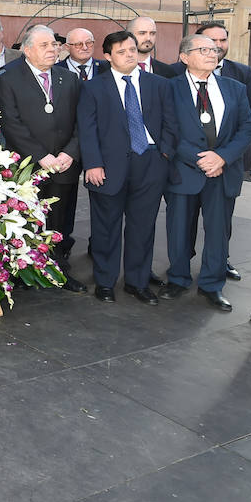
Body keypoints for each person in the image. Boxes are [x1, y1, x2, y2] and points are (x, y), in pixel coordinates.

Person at [158, 33, 251, 311]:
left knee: (218, 232)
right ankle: (177, 279)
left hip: (222, 171)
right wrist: (199, 158)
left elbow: (247, 126)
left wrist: (221, 157)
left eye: (214, 50)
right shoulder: (169, 88)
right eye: (203, 50)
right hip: (183, 170)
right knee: (178, 229)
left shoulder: (235, 88)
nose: (212, 54)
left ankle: (212, 285)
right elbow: (166, 129)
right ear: (184, 57)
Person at [77, 30, 172, 306]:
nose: (129, 54)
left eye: (132, 49)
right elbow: (87, 128)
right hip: (107, 167)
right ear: (107, 56)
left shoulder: (159, 84)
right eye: (121, 51)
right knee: (106, 227)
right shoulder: (94, 87)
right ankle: (105, 282)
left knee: (143, 228)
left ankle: (137, 282)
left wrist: (164, 154)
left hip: (151, 163)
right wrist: (92, 163)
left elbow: (171, 122)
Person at [0, 25, 87, 293]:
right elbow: (11, 123)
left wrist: (70, 152)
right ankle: (25, 272)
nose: (53, 49)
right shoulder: (9, 78)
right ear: (27, 50)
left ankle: (59, 270)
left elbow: (81, 121)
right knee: (27, 221)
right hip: (28, 166)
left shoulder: (68, 78)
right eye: (45, 45)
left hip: (64, 164)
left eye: (55, 45)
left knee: (60, 223)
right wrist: (41, 156)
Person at [192, 20, 251, 281]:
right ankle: (182, 261)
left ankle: (220, 262)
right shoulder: (178, 71)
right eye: (212, 42)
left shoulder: (241, 73)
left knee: (222, 220)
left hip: (228, 162)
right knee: (185, 219)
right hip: (189, 163)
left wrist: (226, 153)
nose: (218, 46)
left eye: (222, 40)